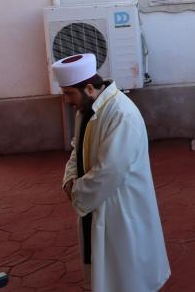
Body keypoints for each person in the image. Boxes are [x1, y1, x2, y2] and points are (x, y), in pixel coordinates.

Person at [55, 53, 170, 292]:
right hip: (98, 199)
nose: (66, 101)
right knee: (108, 269)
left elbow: (111, 170)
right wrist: (69, 179)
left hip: (121, 205)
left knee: (128, 270)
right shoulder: (85, 111)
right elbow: (78, 149)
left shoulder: (121, 114)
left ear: (88, 88)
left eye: (68, 94)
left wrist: (78, 192)